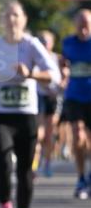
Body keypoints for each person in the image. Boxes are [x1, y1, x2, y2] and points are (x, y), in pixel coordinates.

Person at [0, 1, 59, 208]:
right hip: (0, 113)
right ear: (3, 20)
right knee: (2, 162)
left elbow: (53, 75)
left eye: (16, 15)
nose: (12, 20)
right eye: (8, 15)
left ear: (24, 20)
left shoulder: (31, 45)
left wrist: (31, 74)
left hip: (26, 115)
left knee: (25, 171)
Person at [60, 9, 91, 199]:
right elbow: (63, 62)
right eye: (80, 24)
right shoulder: (68, 43)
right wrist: (63, 70)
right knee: (78, 137)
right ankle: (80, 177)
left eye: (87, 24)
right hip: (74, 96)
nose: (83, 28)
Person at [35, 30, 63, 178]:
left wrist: (60, 87)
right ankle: (35, 164)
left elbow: (65, 76)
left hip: (54, 98)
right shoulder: (36, 58)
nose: (44, 44)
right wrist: (46, 87)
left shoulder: (57, 58)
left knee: (49, 133)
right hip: (39, 96)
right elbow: (35, 76)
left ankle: (47, 162)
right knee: (39, 133)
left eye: (46, 41)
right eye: (41, 40)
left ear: (52, 43)